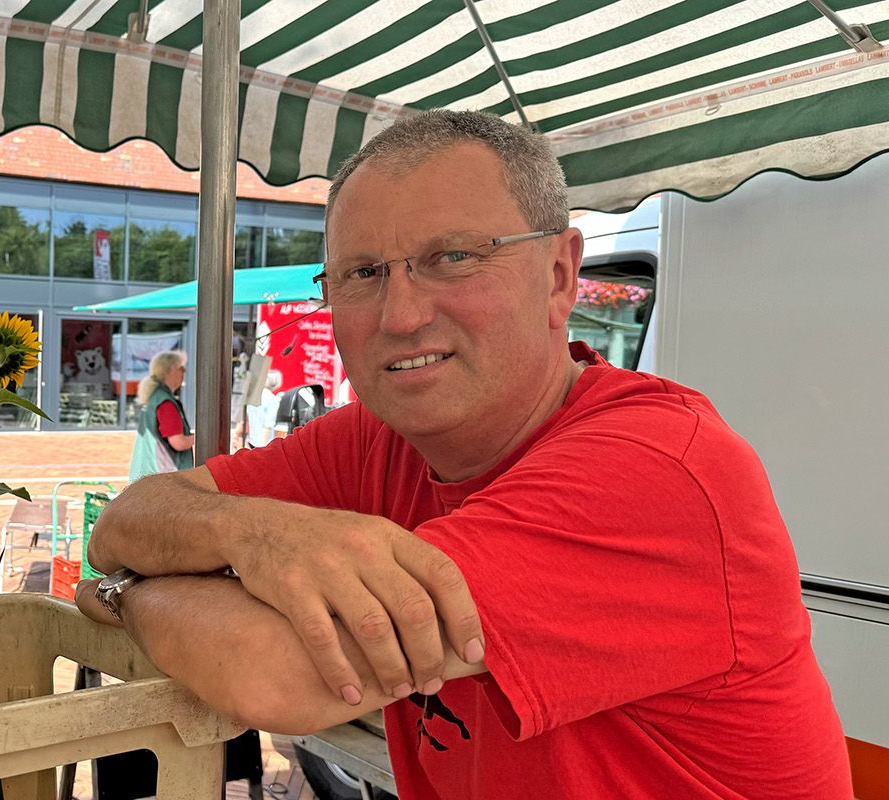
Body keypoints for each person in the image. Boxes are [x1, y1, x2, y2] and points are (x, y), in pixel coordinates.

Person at [77, 110, 850, 798]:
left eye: (453, 257)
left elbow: (272, 671)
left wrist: (122, 593)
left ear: (560, 275)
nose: (402, 314)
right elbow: (127, 521)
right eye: (363, 273)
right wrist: (252, 533)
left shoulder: (657, 471)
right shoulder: (380, 438)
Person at [127, 350, 195, 481]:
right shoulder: (165, 403)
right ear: (171, 371)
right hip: (163, 479)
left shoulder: (155, 398)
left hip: (147, 477)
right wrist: (200, 437)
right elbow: (178, 443)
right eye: (181, 368)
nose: (184, 371)